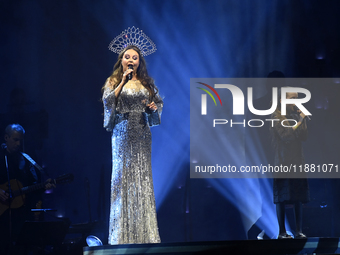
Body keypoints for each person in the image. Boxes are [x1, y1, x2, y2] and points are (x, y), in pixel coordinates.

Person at [102, 44, 162, 245]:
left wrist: (153, 108)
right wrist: (122, 82)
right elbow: (109, 104)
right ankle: (121, 237)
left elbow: (157, 109)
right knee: (122, 181)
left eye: (135, 58)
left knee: (142, 180)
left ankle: (145, 236)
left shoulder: (147, 83)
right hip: (121, 134)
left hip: (142, 135)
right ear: (121, 60)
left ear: (139, 62)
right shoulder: (113, 81)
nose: (131, 60)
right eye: (127, 57)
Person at [0, 124, 54, 254]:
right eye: (15, 139)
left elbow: (34, 186)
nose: (18, 143)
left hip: (20, 216)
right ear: (6, 137)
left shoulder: (25, 159)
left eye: (20, 140)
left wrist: (43, 187)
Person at [270, 88, 309, 239]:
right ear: (282, 101)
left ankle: (298, 231)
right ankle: (282, 232)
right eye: (292, 98)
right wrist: (299, 122)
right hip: (282, 162)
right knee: (282, 197)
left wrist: (302, 120)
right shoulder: (276, 116)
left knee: (298, 196)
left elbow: (304, 137)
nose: (295, 102)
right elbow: (286, 135)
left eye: (296, 98)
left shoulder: (295, 115)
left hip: (297, 162)